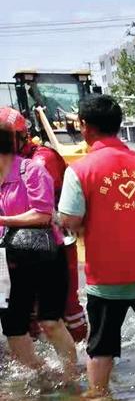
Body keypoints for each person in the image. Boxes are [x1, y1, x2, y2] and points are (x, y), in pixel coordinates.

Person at [57, 95, 135, 395]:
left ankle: (99, 400)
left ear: (85, 126)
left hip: (108, 276)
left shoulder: (80, 170)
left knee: (101, 345)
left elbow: (69, 219)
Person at [0, 107, 88, 342]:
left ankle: (79, 355)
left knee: (67, 305)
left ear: (20, 137)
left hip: (54, 241)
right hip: (19, 244)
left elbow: (41, 211)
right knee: (26, 309)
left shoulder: (40, 160)